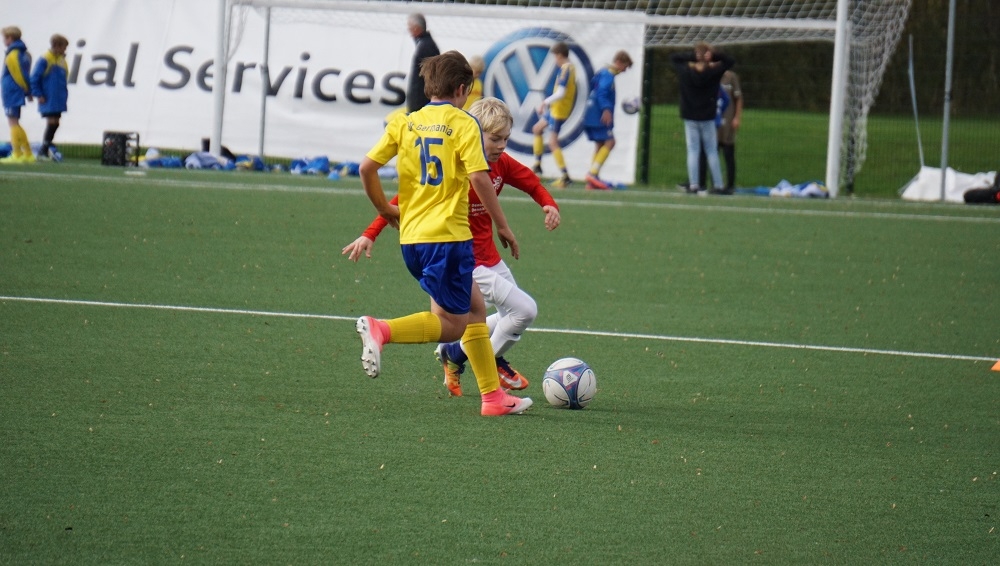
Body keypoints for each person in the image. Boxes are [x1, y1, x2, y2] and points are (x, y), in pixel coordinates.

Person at [351, 51, 532, 416]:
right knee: (452, 326)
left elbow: (366, 168)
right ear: (463, 89)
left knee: (475, 311)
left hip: (412, 240)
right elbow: (479, 177)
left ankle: (493, 398)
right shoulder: (464, 123)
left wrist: (384, 210)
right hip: (448, 239)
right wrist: (502, 225)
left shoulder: (406, 122)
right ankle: (382, 329)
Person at [671, 42, 735, 194]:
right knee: (711, 150)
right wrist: (713, 56)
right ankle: (718, 185)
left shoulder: (686, 72)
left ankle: (694, 184)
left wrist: (694, 56)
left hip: (690, 115)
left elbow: (674, 58)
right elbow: (730, 61)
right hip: (707, 116)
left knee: (693, 150)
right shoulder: (713, 73)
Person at [581, 50, 632, 190]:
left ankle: (592, 181)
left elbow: (593, 86)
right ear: (619, 62)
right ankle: (592, 174)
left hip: (591, 111)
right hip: (599, 113)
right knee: (610, 142)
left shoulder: (602, 72)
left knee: (600, 144)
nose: (625, 70)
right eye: (625, 66)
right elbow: (602, 93)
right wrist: (606, 109)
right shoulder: (608, 75)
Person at [531, 42, 576, 188]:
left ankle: (565, 176)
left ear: (560, 55)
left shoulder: (566, 69)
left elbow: (561, 92)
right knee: (537, 129)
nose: (555, 60)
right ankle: (537, 165)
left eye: (555, 57)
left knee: (552, 142)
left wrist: (545, 102)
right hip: (555, 109)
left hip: (559, 110)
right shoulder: (569, 67)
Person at [696, 70, 743, 194]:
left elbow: (738, 98)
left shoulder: (731, 77)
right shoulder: (710, 75)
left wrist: (737, 117)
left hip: (728, 122)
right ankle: (715, 184)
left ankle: (730, 185)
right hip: (713, 122)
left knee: (729, 153)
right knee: (713, 153)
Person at [30, 33, 69, 161]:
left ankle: (46, 146)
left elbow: (64, 78)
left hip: (59, 97)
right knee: (52, 122)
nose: (64, 50)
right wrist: (38, 94)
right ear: (56, 46)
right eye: (63, 47)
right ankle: (44, 148)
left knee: (56, 122)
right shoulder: (45, 59)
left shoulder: (61, 60)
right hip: (48, 96)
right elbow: (34, 78)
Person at [1, 26, 34, 164]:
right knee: (16, 122)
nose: (3, 41)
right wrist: (28, 90)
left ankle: (17, 153)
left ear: (10, 38)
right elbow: (26, 73)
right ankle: (28, 153)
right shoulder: (25, 54)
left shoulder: (12, 54)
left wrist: (26, 89)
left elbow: (18, 74)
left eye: (4, 38)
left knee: (12, 122)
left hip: (11, 91)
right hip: (17, 91)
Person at [405, 13, 440, 113]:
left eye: (410, 27)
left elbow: (430, 77)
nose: (408, 30)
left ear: (416, 28)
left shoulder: (426, 47)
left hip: (422, 102)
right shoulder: (424, 44)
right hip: (422, 102)